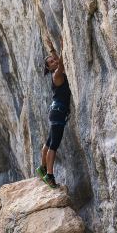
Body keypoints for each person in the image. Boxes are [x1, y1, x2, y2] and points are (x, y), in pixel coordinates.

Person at [36, 39, 71, 188]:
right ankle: (49, 175)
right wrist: (63, 49)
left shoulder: (55, 74)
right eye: (51, 62)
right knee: (53, 146)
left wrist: (52, 50)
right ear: (49, 68)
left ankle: (42, 167)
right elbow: (61, 64)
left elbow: (58, 61)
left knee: (49, 142)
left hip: (55, 111)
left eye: (53, 60)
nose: (54, 62)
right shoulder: (56, 75)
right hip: (58, 112)